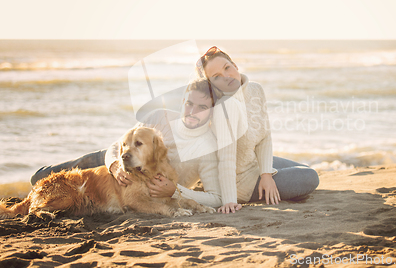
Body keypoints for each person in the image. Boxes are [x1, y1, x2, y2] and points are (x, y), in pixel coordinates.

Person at [31, 78, 222, 208]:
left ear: (213, 111)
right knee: (39, 178)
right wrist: (115, 166)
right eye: (189, 104)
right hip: (113, 161)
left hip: (140, 186)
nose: (191, 112)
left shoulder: (208, 147)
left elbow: (215, 198)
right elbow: (117, 145)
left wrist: (175, 191)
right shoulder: (160, 116)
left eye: (202, 107)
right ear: (182, 102)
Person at [196, 46, 320, 214]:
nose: (226, 77)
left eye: (227, 68)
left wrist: (266, 175)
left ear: (235, 65)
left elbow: (264, 137)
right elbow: (226, 160)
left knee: (304, 169)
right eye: (217, 77)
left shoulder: (255, 90)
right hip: (240, 181)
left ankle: (274, 181)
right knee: (309, 177)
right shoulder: (225, 108)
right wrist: (230, 201)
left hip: (252, 162)